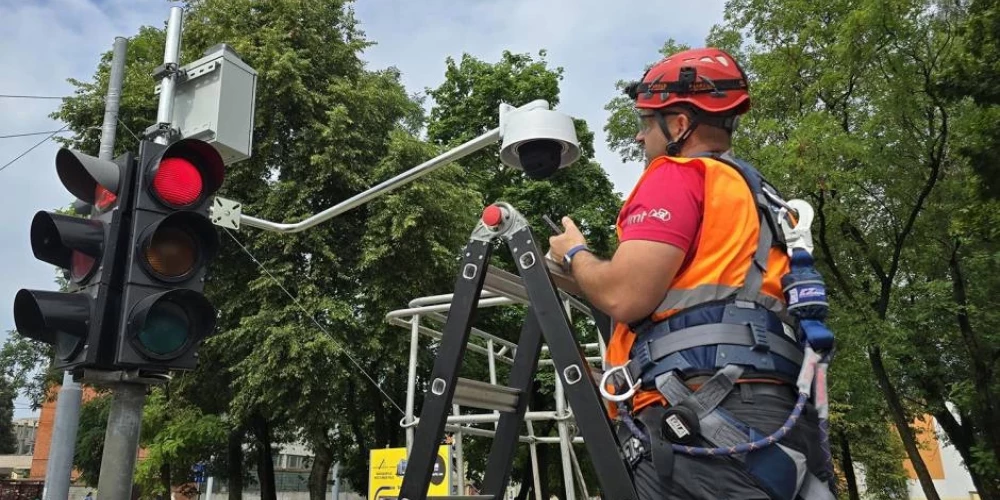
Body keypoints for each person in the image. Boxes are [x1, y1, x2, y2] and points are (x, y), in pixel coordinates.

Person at [547, 47, 834, 500]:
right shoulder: (755, 197)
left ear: (679, 125)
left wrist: (575, 253)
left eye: (646, 123)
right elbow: (694, 296)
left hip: (703, 416)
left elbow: (625, 296)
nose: (641, 139)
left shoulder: (676, 176)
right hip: (766, 415)